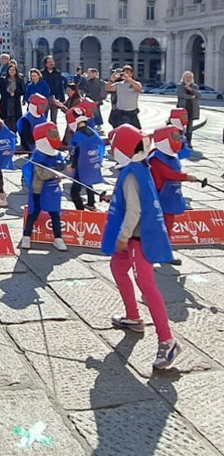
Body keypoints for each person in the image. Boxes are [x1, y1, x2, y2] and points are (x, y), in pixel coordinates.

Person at [101, 124, 181, 369]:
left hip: (137, 238)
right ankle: (133, 317)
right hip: (136, 236)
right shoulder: (139, 166)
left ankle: (168, 341)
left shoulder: (132, 175)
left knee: (147, 284)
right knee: (117, 267)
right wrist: (110, 198)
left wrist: (123, 237)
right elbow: (132, 199)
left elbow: (134, 209)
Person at [21, 122, 67, 251]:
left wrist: (61, 167)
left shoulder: (56, 154)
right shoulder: (37, 156)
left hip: (53, 189)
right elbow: (41, 174)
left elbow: (61, 166)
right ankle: (26, 237)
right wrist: (55, 171)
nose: (54, 137)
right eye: (51, 135)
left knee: (55, 213)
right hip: (39, 189)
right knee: (34, 213)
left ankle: (58, 238)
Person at [148, 125, 197, 215]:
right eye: (174, 137)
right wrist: (185, 177)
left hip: (170, 192)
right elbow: (168, 173)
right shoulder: (156, 158)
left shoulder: (172, 156)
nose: (178, 141)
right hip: (160, 194)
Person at [66, 107, 104, 211]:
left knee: (74, 192)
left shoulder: (77, 136)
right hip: (92, 163)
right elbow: (100, 145)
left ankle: (80, 212)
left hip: (82, 167)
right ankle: (91, 203)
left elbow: (76, 153)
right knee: (88, 182)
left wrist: (72, 165)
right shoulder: (92, 132)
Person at [0, 61, 25, 131]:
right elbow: (1, 90)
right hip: (6, 101)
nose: (12, 71)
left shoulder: (19, 80)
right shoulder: (3, 80)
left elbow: (22, 90)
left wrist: (15, 93)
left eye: (13, 70)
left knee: (15, 119)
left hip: (15, 101)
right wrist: (8, 93)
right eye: (10, 70)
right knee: (6, 118)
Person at [176, 71, 200, 149]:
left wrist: (190, 89)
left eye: (190, 77)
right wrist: (191, 97)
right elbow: (181, 95)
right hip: (182, 109)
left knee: (190, 127)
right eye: (186, 77)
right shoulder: (180, 86)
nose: (188, 79)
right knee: (180, 126)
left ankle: (189, 142)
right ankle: (179, 142)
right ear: (183, 78)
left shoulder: (194, 86)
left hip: (191, 109)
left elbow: (199, 94)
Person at [41, 56, 64, 123]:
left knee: (54, 119)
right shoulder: (41, 74)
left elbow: (60, 86)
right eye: (50, 62)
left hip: (55, 97)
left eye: (52, 61)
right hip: (45, 98)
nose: (52, 63)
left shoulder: (57, 73)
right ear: (46, 64)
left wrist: (62, 99)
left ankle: (53, 132)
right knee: (44, 117)